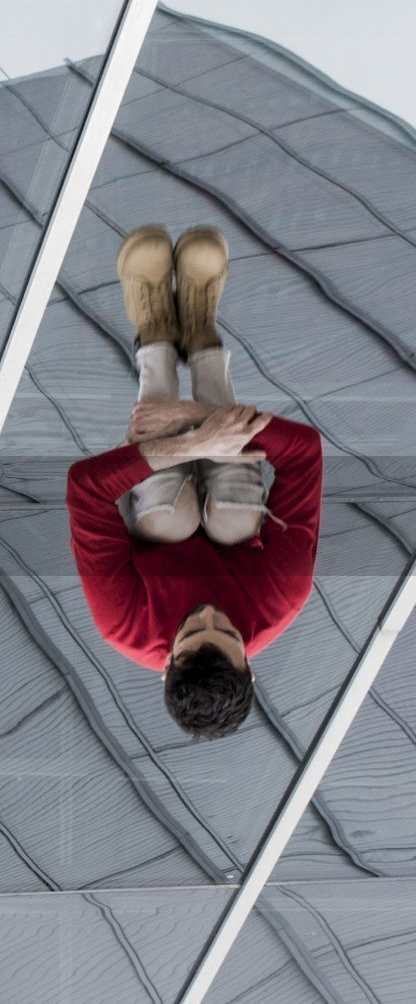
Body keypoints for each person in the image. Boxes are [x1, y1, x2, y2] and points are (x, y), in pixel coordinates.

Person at [66, 224, 323, 738]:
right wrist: (197, 421)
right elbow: (306, 456)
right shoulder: (281, 600)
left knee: (170, 520)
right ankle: (201, 335)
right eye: (225, 627)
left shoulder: (125, 625)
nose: (207, 612)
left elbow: (85, 490)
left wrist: (183, 445)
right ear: (249, 659)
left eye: (191, 628)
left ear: (165, 662)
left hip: (164, 503)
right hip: (227, 500)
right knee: (234, 519)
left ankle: (157, 336)